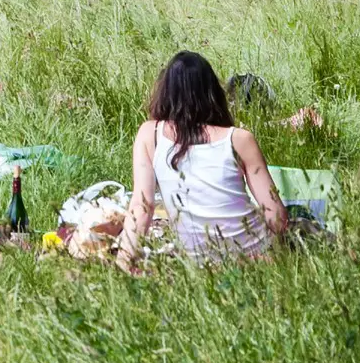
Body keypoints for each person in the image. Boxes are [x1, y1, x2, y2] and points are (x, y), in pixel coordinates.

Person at [117, 51, 287, 268]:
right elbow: (277, 219)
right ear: (213, 93)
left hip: (199, 263)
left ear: (165, 92)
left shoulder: (150, 135)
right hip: (255, 257)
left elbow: (142, 206)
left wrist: (123, 263)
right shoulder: (239, 139)